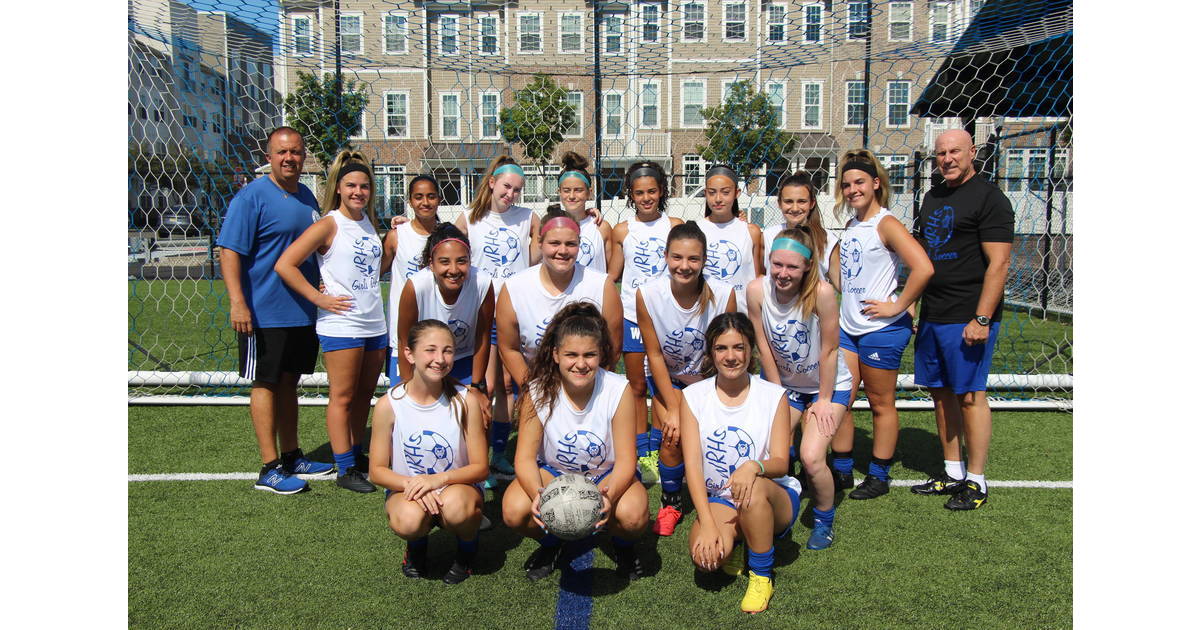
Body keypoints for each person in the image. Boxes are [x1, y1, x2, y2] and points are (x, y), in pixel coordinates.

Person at [217, 126, 334, 494]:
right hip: (264, 312)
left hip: (302, 312)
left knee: (289, 382)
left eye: (296, 152)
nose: (290, 158)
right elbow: (230, 251)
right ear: (268, 156)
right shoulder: (251, 197)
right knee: (266, 383)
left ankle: (292, 455)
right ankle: (269, 468)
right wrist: (238, 302)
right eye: (282, 152)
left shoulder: (306, 197)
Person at [500, 302, 648, 581]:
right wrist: (538, 496)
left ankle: (623, 546)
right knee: (513, 511)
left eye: (589, 355)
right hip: (556, 474)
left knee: (632, 515)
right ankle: (552, 541)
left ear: (601, 354)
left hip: (606, 473)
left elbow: (628, 460)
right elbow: (524, 458)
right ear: (555, 354)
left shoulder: (618, 389)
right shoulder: (537, 390)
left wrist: (609, 497)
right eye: (571, 354)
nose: (581, 364)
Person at [276, 150, 392, 493]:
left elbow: (371, 270)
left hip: (374, 322)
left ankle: (355, 456)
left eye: (365, 186)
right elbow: (286, 263)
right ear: (339, 189)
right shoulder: (329, 223)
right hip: (341, 324)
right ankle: (345, 469)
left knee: (363, 396)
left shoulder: (368, 222)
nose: (358, 192)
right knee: (342, 396)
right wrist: (318, 297)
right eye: (351, 186)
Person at [909, 129, 1014, 510]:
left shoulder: (991, 199)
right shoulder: (932, 197)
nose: (947, 159)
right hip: (934, 313)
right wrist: (914, 306)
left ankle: (977, 480)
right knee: (940, 394)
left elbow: (999, 264)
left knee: (970, 395)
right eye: (941, 153)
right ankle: (952, 472)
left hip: (968, 314)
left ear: (971, 152)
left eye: (955, 151)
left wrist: (982, 319)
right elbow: (923, 258)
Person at [829, 150, 934, 500]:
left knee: (879, 402)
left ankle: (878, 475)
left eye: (859, 182)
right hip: (848, 326)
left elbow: (923, 267)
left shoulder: (887, 223)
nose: (852, 189)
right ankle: (841, 469)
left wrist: (899, 306)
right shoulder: (852, 225)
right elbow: (844, 280)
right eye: (846, 184)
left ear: (876, 184)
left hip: (881, 329)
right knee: (840, 399)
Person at [679, 313, 800, 614]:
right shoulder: (693, 396)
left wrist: (753, 466)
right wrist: (707, 522)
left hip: (773, 497)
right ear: (710, 353)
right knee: (706, 560)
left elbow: (782, 463)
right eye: (722, 348)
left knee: (752, 487)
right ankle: (741, 537)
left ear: (751, 351)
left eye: (739, 347)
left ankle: (761, 574)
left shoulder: (774, 395)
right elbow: (692, 466)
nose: (731, 356)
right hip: (722, 499)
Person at [747, 227, 852, 550]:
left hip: (829, 385)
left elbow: (830, 350)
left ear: (808, 265)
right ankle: (778, 505)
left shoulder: (820, 293)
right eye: (777, 264)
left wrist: (822, 400)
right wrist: (777, 397)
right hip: (787, 385)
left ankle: (824, 520)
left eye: (792, 266)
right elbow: (763, 346)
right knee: (764, 450)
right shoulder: (756, 290)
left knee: (811, 456)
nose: (782, 273)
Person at [635, 221, 736, 536]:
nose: (684, 265)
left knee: (719, 439)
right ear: (665, 256)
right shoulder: (647, 294)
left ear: (704, 260)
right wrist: (677, 407)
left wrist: (705, 401)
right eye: (677, 257)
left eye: (693, 259)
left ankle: (723, 498)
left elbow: (727, 353)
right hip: (671, 381)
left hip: (713, 382)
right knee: (672, 436)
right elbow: (654, 355)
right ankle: (672, 502)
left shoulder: (723, 294)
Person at [368, 320, 488, 584]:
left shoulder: (465, 400)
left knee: (458, 509)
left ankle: (467, 550)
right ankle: (416, 546)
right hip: (408, 488)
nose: (440, 359)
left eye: (447, 351)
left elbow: (480, 467)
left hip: (456, 486)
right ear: (409, 354)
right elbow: (376, 471)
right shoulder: (389, 404)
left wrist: (436, 481)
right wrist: (415, 486)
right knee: (408, 521)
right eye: (430, 350)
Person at [455, 156, 540, 484]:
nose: (512, 194)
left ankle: (500, 453)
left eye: (518, 190)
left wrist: (590, 216)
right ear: (491, 182)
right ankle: (473, 454)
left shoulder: (528, 218)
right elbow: (438, 244)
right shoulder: (468, 219)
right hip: (481, 310)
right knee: (483, 385)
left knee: (508, 384)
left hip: (516, 311)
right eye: (507, 186)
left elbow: (554, 233)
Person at [607, 161, 682, 484]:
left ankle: (661, 441)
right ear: (631, 195)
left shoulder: (675, 225)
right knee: (636, 385)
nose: (646, 198)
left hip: (666, 317)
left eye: (652, 191)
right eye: (640, 193)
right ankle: (643, 452)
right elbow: (613, 274)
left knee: (663, 385)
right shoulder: (622, 230)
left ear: (662, 191)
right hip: (631, 316)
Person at [495, 209, 623, 388]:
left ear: (580, 244)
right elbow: (509, 348)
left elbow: (613, 349)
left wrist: (586, 388)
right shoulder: (514, 288)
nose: (562, 251)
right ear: (540, 243)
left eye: (570, 244)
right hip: (537, 384)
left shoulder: (602, 286)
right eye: (554, 243)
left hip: (586, 387)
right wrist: (533, 391)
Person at [392, 222, 493, 411]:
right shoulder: (416, 286)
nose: (454, 270)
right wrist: (408, 385)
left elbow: (483, 336)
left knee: (477, 414)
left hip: (464, 356)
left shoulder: (482, 283)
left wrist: (477, 386)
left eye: (462, 261)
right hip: (422, 359)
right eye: (444, 261)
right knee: (410, 413)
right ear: (431, 263)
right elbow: (404, 339)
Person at [384, 174, 441, 385]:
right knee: (403, 393)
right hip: (403, 333)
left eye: (431, 196)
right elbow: (373, 273)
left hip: (437, 330)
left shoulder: (447, 236)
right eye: (418, 197)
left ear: (439, 199)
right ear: (410, 201)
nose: (425, 202)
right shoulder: (397, 236)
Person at [696, 165, 764, 313]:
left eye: (725, 192)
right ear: (705, 193)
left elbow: (757, 278)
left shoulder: (751, 231)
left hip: (742, 317)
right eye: (712, 192)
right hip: (707, 315)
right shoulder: (696, 230)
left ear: (736, 193)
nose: (718, 199)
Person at [761, 172, 837, 282]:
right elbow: (760, 277)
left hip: (813, 299)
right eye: (788, 201)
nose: (795, 208)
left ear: (812, 203)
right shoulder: (768, 236)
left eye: (802, 201)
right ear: (779, 203)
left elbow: (843, 285)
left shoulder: (827, 238)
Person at [557, 151, 611, 273]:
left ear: (589, 192)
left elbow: (610, 273)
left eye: (578, 190)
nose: (571, 196)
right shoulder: (552, 226)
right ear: (559, 192)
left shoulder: (601, 227)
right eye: (566, 190)